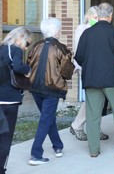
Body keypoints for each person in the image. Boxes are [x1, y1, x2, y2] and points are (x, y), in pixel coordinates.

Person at [75, 2, 114, 157]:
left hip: (91, 79)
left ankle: (94, 150)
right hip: (111, 80)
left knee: (92, 115)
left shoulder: (87, 33)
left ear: (99, 14)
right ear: (111, 15)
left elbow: (79, 57)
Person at [27, 18, 75, 165]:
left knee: (48, 118)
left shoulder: (35, 46)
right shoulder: (61, 48)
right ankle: (35, 154)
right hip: (52, 89)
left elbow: (28, 64)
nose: (60, 31)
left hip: (35, 88)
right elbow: (66, 73)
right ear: (56, 31)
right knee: (46, 119)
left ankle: (57, 146)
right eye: (59, 29)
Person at [70, 6, 109, 141]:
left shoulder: (95, 29)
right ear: (88, 17)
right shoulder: (82, 29)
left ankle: (94, 128)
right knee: (93, 99)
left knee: (98, 99)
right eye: (95, 18)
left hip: (96, 67)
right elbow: (80, 52)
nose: (97, 20)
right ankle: (77, 125)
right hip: (87, 68)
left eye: (98, 18)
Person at [0, 27, 32, 174]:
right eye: (27, 43)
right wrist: (28, 70)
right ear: (20, 38)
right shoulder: (16, 50)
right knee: (6, 136)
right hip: (10, 100)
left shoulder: (1, 48)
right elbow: (19, 67)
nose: (26, 47)